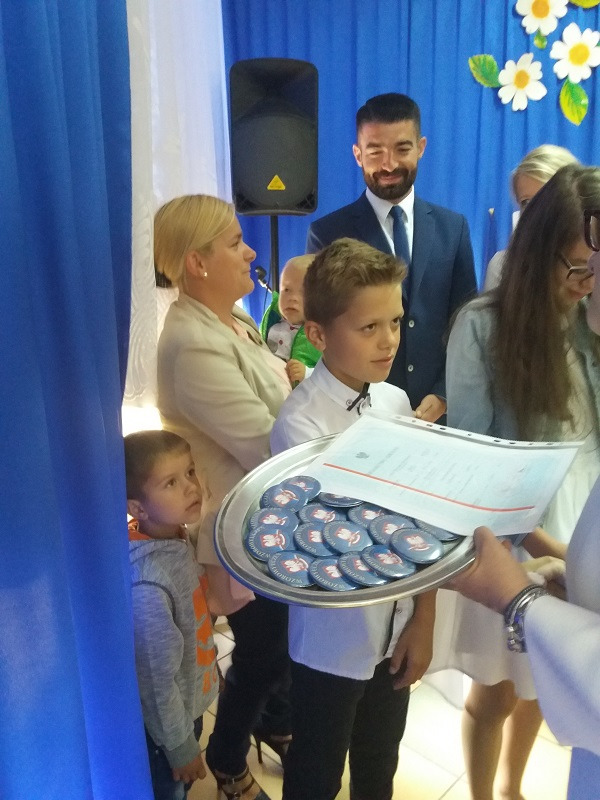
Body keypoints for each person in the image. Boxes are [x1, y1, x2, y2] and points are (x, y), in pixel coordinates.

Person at [441, 166, 600, 800]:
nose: (585, 284)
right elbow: (475, 463)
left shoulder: (589, 323)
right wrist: (535, 543)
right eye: (577, 268)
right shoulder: (484, 326)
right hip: (515, 534)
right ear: (537, 253)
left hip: (581, 522)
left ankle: (512, 787)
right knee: (498, 689)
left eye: (594, 269)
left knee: (552, 683)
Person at [271, 237, 436, 800]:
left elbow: (421, 523)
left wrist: (423, 617)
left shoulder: (395, 401)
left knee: (379, 762)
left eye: (395, 321)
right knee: (316, 771)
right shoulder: (300, 427)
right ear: (318, 335)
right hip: (332, 641)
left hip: (398, 625)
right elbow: (339, 544)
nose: (389, 340)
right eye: (369, 327)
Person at [155, 195, 293, 800]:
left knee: (278, 644)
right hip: (235, 528)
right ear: (197, 262)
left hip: (267, 514)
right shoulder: (193, 344)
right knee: (266, 650)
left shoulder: (230, 318)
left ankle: (273, 723)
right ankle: (228, 756)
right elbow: (267, 442)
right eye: (236, 242)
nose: (250, 251)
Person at [306, 92, 476, 419]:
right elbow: (325, 331)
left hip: (440, 414)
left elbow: (465, 323)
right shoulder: (327, 234)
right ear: (358, 154)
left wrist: (444, 392)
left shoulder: (453, 228)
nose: (389, 164)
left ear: (421, 147)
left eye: (402, 149)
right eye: (375, 151)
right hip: (361, 414)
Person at [125, 430, 219, 800]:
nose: (191, 487)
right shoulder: (148, 584)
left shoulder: (175, 536)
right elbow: (155, 679)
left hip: (187, 705)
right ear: (138, 509)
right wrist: (180, 747)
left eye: (190, 472)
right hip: (166, 732)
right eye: (171, 482)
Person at [483, 145, 579, 291]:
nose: (536, 212)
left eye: (547, 200)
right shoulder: (503, 267)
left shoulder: (594, 264)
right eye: (526, 203)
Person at [260, 254, 320, 384]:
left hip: (299, 393)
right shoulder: (271, 322)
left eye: (303, 292)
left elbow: (332, 374)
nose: (292, 298)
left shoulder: (320, 334)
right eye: (286, 289)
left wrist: (307, 373)